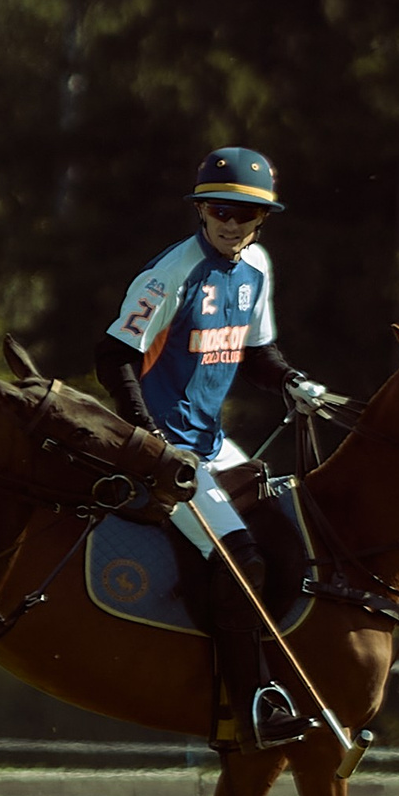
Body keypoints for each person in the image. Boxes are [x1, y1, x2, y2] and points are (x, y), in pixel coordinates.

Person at [93, 147, 334, 750]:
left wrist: (291, 381)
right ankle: (252, 706)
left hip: (213, 442)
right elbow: (114, 355)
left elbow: (256, 353)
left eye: (244, 213)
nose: (230, 222)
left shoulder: (258, 267)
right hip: (166, 446)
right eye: (219, 209)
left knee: (289, 537)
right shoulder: (170, 274)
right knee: (243, 560)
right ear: (201, 210)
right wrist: (148, 435)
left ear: (262, 220)